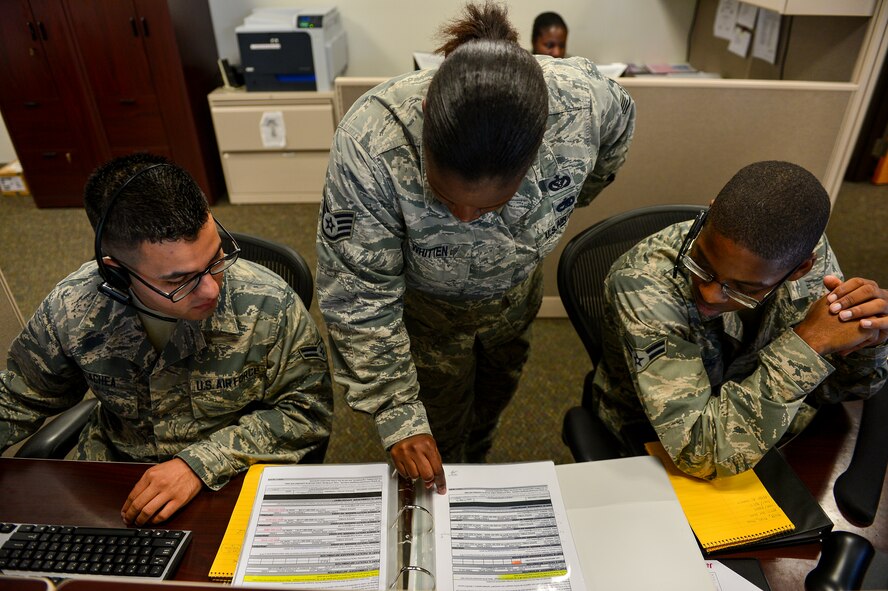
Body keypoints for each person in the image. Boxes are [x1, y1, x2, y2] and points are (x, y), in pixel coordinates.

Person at [316, 2, 635, 493]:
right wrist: (398, 412)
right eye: (445, 200)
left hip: (513, 305)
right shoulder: (371, 143)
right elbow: (358, 293)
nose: (465, 218)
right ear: (427, 119)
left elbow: (616, 132)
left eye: (491, 205)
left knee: (490, 406)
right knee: (437, 433)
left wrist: (576, 195)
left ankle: (477, 459)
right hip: (425, 319)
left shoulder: (581, 105)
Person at [0, 153, 333, 525]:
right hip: (117, 483)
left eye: (216, 258)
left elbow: (308, 411)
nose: (211, 289)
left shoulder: (269, 303)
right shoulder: (72, 308)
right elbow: (20, 396)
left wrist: (199, 464)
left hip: (230, 485)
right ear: (117, 273)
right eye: (179, 280)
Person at [592, 160, 888, 479]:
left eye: (744, 288)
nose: (709, 294)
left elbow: (842, 391)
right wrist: (808, 345)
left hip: (773, 436)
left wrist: (868, 336)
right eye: (702, 264)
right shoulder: (643, 283)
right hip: (652, 442)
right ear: (709, 214)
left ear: (801, 268)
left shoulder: (802, 257)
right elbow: (699, 452)